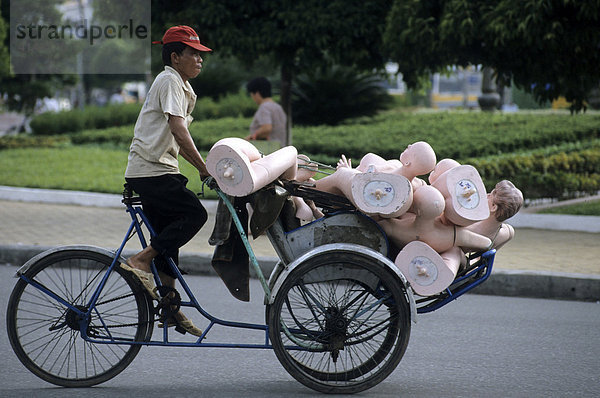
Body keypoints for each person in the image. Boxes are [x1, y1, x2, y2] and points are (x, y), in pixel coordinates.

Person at [122, 25, 213, 337]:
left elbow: (176, 137)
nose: (200, 59)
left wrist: (203, 166)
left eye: (201, 55)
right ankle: (139, 260)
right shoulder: (170, 80)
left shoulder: (182, 86)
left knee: (168, 239)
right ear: (175, 57)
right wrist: (203, 169)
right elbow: (178, 129)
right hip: (151, 171)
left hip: (158, 169)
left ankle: (170, 308)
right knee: (195, 214)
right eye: (193, 54)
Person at [466, 180, 523, 250]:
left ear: (493, 207)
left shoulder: (464, 228)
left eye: (490, 195)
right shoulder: (508, 233)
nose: (486, 195)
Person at [245, 77, 287, 146]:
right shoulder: (278, 107)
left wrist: (251, 137)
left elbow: (266, 128)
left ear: (257, 93)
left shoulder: (264, 107)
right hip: (280, 149)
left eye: (252, 95)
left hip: (269, 151)